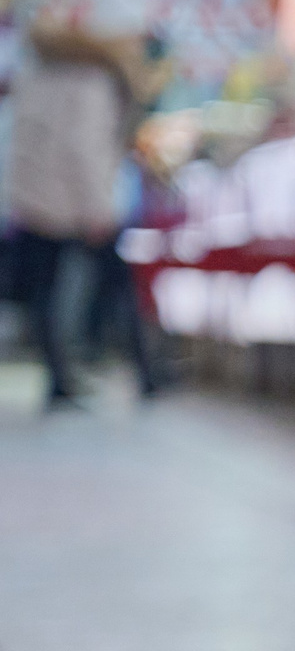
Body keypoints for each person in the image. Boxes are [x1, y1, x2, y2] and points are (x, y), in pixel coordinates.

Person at [6, 22, 159, 408]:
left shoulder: (35, 79)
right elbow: (83, 150)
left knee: (45, 293)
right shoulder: (91, 83)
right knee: (118, 286)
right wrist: (96, 209)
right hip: (75, 204)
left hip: (35, 202)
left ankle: (59, 377)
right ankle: (148, 371)